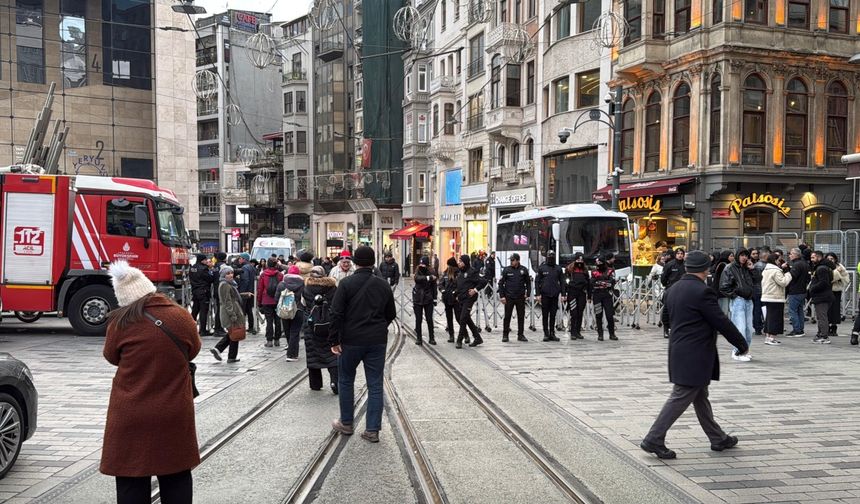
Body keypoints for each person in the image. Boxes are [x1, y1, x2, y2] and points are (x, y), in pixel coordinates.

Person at [101, 261, 200, 504]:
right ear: (149, 287)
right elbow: (194, 350)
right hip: (173, 411)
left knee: (130, 479)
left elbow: (111, 357)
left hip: (130, 413)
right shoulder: (180, 316)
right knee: (176, 476)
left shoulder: (120, 322)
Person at [640, 250, 749, 460]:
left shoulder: (672, 289)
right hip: (695, 353)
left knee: (700, 396)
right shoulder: (702, 291)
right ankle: (653, 438)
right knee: (681, 396)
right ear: (705, 270)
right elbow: (721, 321)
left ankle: (717, 437)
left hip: (679, 349)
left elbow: (668, 318)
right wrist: (740, 343)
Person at [330, 246, 396, 444]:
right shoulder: (383, 285)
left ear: (356, 262)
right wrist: (378, 325)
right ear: (374, 261)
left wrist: (334, 340)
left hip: (351, 340)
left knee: (346, 379)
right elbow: (391, 313)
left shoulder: (346, 284)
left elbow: (336, 313)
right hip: (376, 340)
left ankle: (347, 422)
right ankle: (372, 429)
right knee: (375, 384)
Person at [302, 266, 340, 391]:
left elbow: (303, 304)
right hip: (330, 324)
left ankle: (315, 384)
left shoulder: (306, 288)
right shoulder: (332, 287)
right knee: (332, 354)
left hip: (312, 325)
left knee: (313, 354)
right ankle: (335, 382)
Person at [719, 248, 755, 362]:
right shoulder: (729, 268)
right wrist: (734, 295)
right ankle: (737, 351)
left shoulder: (747, 268)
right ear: (737, 255)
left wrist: (753, 269)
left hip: (749, 300)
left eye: (746, 255)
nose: (744, 257)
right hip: (738, 300)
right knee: (740, 327)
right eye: (742, 255)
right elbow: (724, 286)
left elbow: (758, 279)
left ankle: (745, 350)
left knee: (749, 328)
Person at [211, 268, 244, 363]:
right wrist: (232, 314)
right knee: (234, 333)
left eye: (231, 273)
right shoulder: (224, 285)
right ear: (223, 275)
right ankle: (223, 351)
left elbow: (232, 297)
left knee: (233, 333)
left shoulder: (229, 284)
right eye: (228, 274)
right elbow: (227, 301)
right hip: (230, 312)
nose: (230, 275)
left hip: (233, 310)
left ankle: (226, 353)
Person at [455, 254, 488, 348]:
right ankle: (477, 338)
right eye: (459, 261)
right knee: (467, 318)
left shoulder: (472, 272)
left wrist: (475, 290)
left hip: (469, 299)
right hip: (461, 298)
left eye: (460, 261)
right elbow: (460, 285)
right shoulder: (460, 272)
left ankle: (459, 340)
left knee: (462, 319)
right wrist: (457, 294)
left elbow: (483, 281)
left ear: (465, 262)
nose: (459, 263)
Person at [498, 253, 531, 343]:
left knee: (521, 316)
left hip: (520, 297)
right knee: (507, 316)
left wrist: (528, 293)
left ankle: (520, 334)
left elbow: (528, 282)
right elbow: (501, 283)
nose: (511, 262)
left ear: (517, 260)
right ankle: (505, 335)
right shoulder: (506, 270)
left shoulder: (523, 270)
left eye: (513, 260)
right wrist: (502, 296)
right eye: (511, 260)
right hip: (509, 297)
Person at [760, 253, 791, 346]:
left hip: (768, 296)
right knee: (775, 318)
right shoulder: (776, 271)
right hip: (776, 297)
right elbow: (783, 282)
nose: (779, 262)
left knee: (769, 318)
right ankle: (772, 338)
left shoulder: (766, 269)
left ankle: (768, 337)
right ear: (774, 260)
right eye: (778, 260)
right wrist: (788, 274)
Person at [276, 265, 305, 362]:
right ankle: (292, 354)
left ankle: (290, 348)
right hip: (298, 310)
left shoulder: (282, 284)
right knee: (295, 332)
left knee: (287, 331)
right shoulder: (303, 284)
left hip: (285, 310)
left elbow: (276, 298)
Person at [536, 251, 564, 342]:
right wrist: (538, 294)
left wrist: (563, 294)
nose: (551, 257)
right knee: (545, 315)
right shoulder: (542, 268)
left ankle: (552, 333)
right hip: (545, 295)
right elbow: (537, 282)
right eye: (549, 256)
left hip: (554, 295)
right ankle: (546, 333)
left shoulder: (558, 268)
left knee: (553, 315)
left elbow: (562, 282)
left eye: (552, 256)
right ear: (547, 257)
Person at [257, 258, 284, 347]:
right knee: (277, 320)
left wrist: (259, 301)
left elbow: (260, 289)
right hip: (277, 300)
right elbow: (282, 288)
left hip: (266, 300)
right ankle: (277, 339)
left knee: (269, 321)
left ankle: (269, 340)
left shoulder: (263, 275)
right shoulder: (280, 275)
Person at [809, 251, 835, 344]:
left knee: (822, 317)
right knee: (821, 316)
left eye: (813, 257)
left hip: (822, 296)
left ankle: (824, 336)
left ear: (819, 257)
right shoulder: (824, 267)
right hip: (823, 295)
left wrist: (812, 288)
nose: (811, 260)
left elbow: (824, 282)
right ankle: (820, 334)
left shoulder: (821, 268)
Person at [660, 248, 686, 337]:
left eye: (681, 253)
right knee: (667, 310)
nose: (680, 255)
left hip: (683, 291)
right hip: (671, 290)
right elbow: (663, 278)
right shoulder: (669, 265)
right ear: (675, 254)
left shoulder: (686, 265)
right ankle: (666, 328)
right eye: (678, 253)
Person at [591, 254, 617, 341]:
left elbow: (611, 282)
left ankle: (612, 333)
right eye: (597, 263)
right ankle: (600, 334)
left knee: (609, 315)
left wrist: (600, 282)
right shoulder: (593, 271)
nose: (598, 264)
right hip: (597, 295)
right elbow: (592, 282)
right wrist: (602, 282)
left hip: (607, 295)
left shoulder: (610, 270)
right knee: (598, 315)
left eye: (600, 262)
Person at [564, 253, 590, 340]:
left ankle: (578, 331)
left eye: (581, 260)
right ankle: (573, 332)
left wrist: (589, 295)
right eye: (578, 260)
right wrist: (565, 292)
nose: (580, 262)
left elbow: (588, 282)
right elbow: (565, 282)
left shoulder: (585, 270)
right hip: (572, 293)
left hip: (582, 293)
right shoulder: (569, 269)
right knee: (573, 313)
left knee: (580, 312)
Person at [785, 248, 810, 337]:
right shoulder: (804, 263)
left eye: (791, 254)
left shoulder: (796, 265)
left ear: (796, 255)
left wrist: (786, 270)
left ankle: (797, 330)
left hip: (795, 291)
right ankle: (800, 329)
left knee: (792, 311)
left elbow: (792, 276)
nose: (789, 255)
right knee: (800, 310)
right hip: (802, 290)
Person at [412, 256, 437, 345]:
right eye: (421, 263)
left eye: (423, 263)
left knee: (429, 319)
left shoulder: (432, 271)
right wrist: (428, 278)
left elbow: (434, 286)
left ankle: (432, 338)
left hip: (428, 298)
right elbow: (417, 279)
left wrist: (435, 298)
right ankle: (419, 338)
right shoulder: (417, 270)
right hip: (418, 298)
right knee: (418, 319)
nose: (421, 265)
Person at [189, 253, 215, 336]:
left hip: (195, 291)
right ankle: (202, 330)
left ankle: (190, 328)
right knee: (203, 311)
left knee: (195, 311)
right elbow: (210, 279)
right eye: (205, 260)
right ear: (202, 260)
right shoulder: (203, 269)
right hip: (203, 291)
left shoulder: (192, 268)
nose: (206, 261)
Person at [825, 252, 849, 337]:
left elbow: (845, 278)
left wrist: (839, 275)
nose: (830, 260)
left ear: (835, 259)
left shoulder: (840, 267)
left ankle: (834, 327)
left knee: (835, 309)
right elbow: (828, 279)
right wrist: (836, 273)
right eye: (828, 259)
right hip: (826, 290)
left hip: (836, 290)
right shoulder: (824, 267)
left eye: (832, 258)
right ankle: (826, 327)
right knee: (827, 309)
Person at [236, 253, 257, 334]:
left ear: (244, 259)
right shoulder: (252, 267)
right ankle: (251, 327)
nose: (239, 260)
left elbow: (245, 280)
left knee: (242, 310)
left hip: (245, 292)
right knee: (249, 310)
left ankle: (242, 327)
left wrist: (242, 292)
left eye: (240, 258)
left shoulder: (245, 267)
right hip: (251, 291)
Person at [440, 257, 459, 343]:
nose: (448, 267)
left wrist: (456, 292)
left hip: (455, 299)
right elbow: (440, 284)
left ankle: (465, 334)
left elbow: (460, 285)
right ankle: (451, 335)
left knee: (459, 317)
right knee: (449, 318)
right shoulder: (445, 273)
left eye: (449, 265)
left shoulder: (458, 273)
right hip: (447, 298)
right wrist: (442, 290)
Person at [211, 251, 230, 336]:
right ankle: (219, 329)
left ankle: (218, 328)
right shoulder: (223, 266)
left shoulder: (215, 266)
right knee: (221, 310)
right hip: (222, 289)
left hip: (216, 289)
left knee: (218, 309)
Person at [711, 250, 733, 317]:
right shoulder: (723, 265)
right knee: (724, 311)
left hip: (721, 292)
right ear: (726, 256)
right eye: (731, 256)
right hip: (722, 293)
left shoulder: (723, 264)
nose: (733, 258)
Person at [750, 248, 765, 336]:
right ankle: (760, 327)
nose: (755, 255)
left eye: (756, 253)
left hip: (757, 289)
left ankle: (758, 327)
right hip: (758, 290)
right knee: (759, 309)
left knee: (757, 310)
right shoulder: (757, 265)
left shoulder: (756, 265)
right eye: (753, 253)